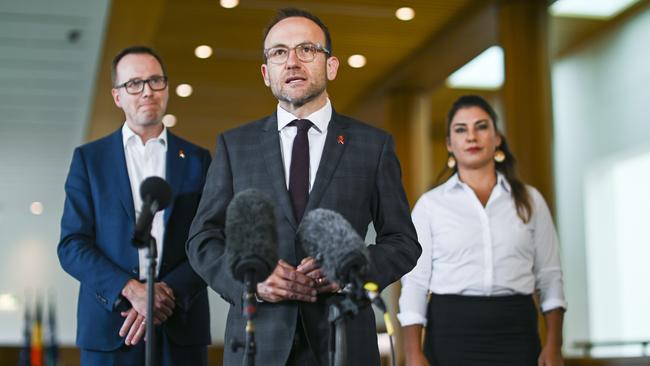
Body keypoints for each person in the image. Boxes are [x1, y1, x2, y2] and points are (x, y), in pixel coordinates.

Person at [186, 8, 421, 366]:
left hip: (343, 339)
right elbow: (203, 238)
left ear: (331, 66)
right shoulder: (235, 146)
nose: (292, 61)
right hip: (257, 342)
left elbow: (402, 242)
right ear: (267, 73)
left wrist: (351, 270)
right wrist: (251, 284)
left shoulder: (372, 146)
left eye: (306, 49)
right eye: (279, 52)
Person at [58, 45, 211, 366]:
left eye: (155, 81)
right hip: (110, 325)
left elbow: (210, 240)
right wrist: (130, 289)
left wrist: (164, 293)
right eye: (134, 84)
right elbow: (72, 245)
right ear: (117, 96)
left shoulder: (198, 160)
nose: (146, 92)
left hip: (180, 324)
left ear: (166, 88)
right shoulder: (89, 160)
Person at [398, 95, 567, 366]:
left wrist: (554, 346)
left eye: (481, 126)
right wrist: (413, 354)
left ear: (497, 137)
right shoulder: (430, 206)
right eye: (461, 129)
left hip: (518, 334)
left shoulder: (530, 200)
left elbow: (550, 276)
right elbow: (415, 283)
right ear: (449, 144)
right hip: (449, 336)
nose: (471, 136)